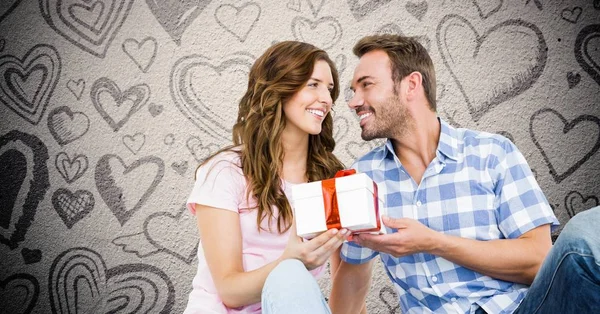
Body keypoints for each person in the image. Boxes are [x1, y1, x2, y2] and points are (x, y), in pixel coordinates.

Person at [328, 34, 600, 313]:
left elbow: (538, 261)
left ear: (411, 85)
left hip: (522, 309)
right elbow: (349, 292)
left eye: (366, 86)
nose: (353, 101)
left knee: (586, 232)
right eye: (353, 90)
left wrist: (433, 243)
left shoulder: (492, 153)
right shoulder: (363, 178)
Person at [184, 41, 350, 314]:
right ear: (279, 89)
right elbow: (228, 291)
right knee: (291, 275)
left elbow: (346, 295)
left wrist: (366, 251)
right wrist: (291, 261)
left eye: (329, 89)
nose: (327, 99)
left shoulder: (329, 179)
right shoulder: (225, 171)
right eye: (313, 84)